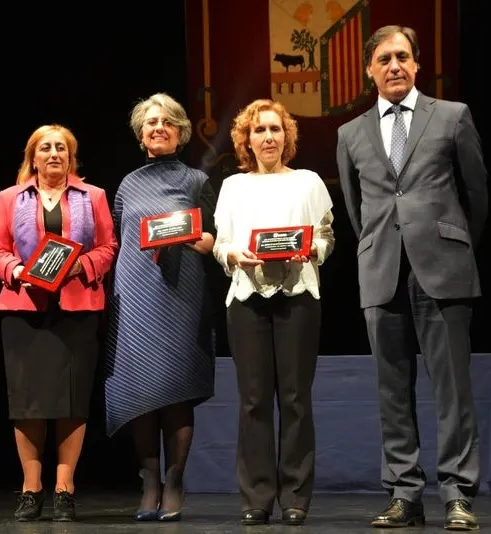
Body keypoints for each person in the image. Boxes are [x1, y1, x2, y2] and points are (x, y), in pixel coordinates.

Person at [336, 24, 488, 531]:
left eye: (402, 56)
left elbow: (476, 195)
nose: (394, 65)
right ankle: (404, 493)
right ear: (369, 70)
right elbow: (357, 211)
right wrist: (383, 245)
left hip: (443, 268)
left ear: (417, 63)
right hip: (382, 269)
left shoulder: (451, 116)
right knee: (391, 391)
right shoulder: (350, 133)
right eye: (384, 59)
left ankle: (457, 494)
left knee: (452, 389)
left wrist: (449, 241)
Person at [0, 124, 118, 522]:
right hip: (24, 310)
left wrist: (82, 264)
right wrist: (19, 270)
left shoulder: (94, 196)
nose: (54, 153)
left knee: (72, 401)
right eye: (46, 148)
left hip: (77, 310)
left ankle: (64, 488)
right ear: (33, 156)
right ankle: (30, 488)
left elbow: (110, 247)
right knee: (27, 403)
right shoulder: (10, 198)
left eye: (62, 147)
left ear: (71, 157)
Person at [213, 98, 335, 526]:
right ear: (246, 139)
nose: (268, 137)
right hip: (247, 297)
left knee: (296, 399)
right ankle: (257, 496)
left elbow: (326, 237)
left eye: (275, 129)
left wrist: (308, 251)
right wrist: (233, 254)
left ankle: (296, 496)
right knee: (253, 400)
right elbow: (219, 243)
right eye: (259, 130)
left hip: (298, 293)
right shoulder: (233, 186)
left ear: (287, 136)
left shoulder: (307, 182)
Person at [103, 92, 217, 522]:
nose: (158, 127)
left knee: (176, 387)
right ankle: (148, 480)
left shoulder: (196, 181)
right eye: (151, 122)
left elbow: (210, 239)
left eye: (167, 122)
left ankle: (174, 478)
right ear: (140, 133)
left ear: (180, 132)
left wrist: (193, 237)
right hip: (135, 295)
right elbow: (118, 240)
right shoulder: (127, 184)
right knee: (141, 390)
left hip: (181, 294)